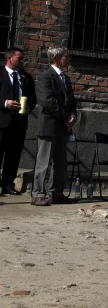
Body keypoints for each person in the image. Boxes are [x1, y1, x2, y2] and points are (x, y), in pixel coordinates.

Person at [31, 46, 77, 206]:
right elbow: (47, 101)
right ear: (57, 58)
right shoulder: (46, 77)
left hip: (63, 127)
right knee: (44, 162)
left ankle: (55, 193)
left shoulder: (66, 78)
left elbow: (71, 101)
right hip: (49, 125)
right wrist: (66, 116)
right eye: (67, 56)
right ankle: (37, 194)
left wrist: (73, 116)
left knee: (60, 163)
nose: (69, 59)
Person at [0, 48, 36, 195]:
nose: (22, 61)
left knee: (14, 154)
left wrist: (28, 108)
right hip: (2, 121)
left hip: (19, 122)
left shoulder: (26, 77)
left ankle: (8, 183)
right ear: (10, 58)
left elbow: (33, 99)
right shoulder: (0, 74)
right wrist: (4, 103)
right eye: (19, 58)